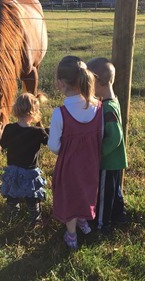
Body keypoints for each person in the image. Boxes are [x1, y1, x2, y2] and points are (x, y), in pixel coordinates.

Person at [48, 56, 103, 249]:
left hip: (69, 166)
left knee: (69, 197)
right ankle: (83, 221)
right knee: (85, 191)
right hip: (91, 164)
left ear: (61, 83)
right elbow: (100, 136)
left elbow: (54, 146)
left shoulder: (60, 113)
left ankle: (71, 236)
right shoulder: (99, 107)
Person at [87, 57, 128, 230]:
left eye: (88, 81)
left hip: (108, 161)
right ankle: (119, 216)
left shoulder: (108, 107)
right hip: (116, 161)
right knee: (114, 191)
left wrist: (98, 153)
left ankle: (102, 225)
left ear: (97, 81)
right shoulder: (112, 101)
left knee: (104, 194)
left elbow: (115, 136)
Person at [0, 93, 49, 227]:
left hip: (12, 169)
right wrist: (50, 130)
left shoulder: (9, 128)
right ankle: (35, 221)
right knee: (32, 197)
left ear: (16, 109)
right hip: (29, 171)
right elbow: (49, 142)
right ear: (34, 111)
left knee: (12, 195)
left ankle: (11, 217)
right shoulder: (38, 132)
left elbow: (3, 144)